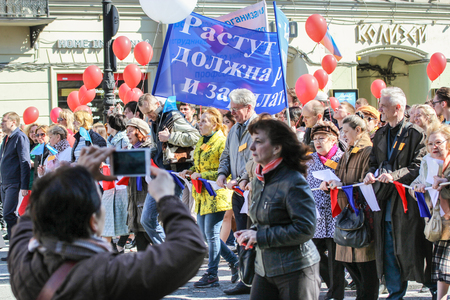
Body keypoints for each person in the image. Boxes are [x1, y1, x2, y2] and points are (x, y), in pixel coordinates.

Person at [7, 145, 207, 300]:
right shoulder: (109, 275)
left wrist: (76, 175)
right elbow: (191, 248)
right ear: (94, 223)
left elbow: (31, 214)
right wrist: (166, 197)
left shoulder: (23, 260)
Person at [235, 118, 320, 300]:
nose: (251, 148)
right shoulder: (259, 178)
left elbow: (305, 229)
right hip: (264, 269)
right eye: (252, 141)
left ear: (276, 148)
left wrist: (260, 237)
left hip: (296, 269)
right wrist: (250, 233)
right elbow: (264, 221)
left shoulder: (293, 181)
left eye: (258, 142)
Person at [363, 87, 430, 300]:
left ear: (398, 107)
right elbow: (373, 162)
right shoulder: (380, 133)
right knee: (388, 247)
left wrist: (394, 175)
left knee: (409, 247)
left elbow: (418, 165)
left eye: (383, 105)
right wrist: (369, 175)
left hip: (406, 200)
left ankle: (431, 286)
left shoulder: (416, 134)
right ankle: (395, 293)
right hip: (383, 198)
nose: (379, 109)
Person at [320, 114, 378, 300]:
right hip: (347, 215)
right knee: (349, 263)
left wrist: (341, 185)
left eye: (346, 131)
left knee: (365, 267)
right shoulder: (348, 151)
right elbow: (339, 176)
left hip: (361, 217)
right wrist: (330, 183)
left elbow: (364, 184)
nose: (343, 135)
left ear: (358, 130)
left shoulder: (367, 151)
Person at [179, 108, 239, 288]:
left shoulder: (221, 142)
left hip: (217, 193)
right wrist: (190, 171)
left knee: (212, 235)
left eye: (205, 121)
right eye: (200, 119)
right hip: (202, 193)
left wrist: (201, 173)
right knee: (207, 235)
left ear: (215, 124)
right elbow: (198, 165)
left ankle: (212, 273)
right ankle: (235, 261)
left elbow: (225, 172)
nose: (200, 123)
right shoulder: (201, 141)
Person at [138, 94, 200, 244]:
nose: (149, 116)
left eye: (150, 112)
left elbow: (196, 136)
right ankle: (170, 251)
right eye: (145, 113)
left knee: (172, 219)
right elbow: (157, 148)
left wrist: (171, 137)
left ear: (158, 104)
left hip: (174, 175)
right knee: (146, 219)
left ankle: (176, 253)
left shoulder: (173, 116)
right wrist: (141, 154)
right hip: (160, 175)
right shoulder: (154, 121)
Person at [216, 88, 258, 295]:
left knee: (253, 236)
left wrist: (243, 178)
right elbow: (226, 153)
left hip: (254, 192)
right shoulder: (234, 129)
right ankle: (245, 279)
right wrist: (222, 173)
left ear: (249, 107)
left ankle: (253, 280)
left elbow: (255, 158)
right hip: (238, 193)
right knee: (241, 236)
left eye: (235, 109)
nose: (231, 113)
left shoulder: (259, 128)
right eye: (231, 109)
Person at [306, 121, 346, 300]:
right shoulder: (310, 159)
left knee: (336, 258)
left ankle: (336, 293)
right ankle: (331, 284)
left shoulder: (342, 158)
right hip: (317, 215)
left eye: (322, 138)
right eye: (315, 139)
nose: (317, 142)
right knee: (314, 252)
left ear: (333, 140)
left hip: (336, 214)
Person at [410, 124, 450, 300]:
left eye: (438, 142)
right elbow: (415, 184)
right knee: (442, 265)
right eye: (430, 143)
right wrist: (418, 188)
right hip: (439, 221)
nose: (434, 147)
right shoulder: (427, 161)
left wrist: (445, 182)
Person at [125, 118, 161, 250]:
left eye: (130, 131)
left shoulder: (150, 149)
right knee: (140, 239)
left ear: (140, 132)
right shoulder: (131, 150)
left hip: (146, 195)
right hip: (134, 198)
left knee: (149, 232)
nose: (127, 134)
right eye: (126, 131)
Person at [0, 112, 30, 244]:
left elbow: (25, 162)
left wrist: (24, 185)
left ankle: (23, 240)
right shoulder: (6, 138)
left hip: (14, 182)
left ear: (13, 122)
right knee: (9, 215)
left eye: (4, 121)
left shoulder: (20, 137)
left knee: (9, 214)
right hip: (4, 182)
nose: (1, 123)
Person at [102, 114, 130, 252]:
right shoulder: (111, 140)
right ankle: (115, 247)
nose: (106, 126)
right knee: (109, 214)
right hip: (111, 181)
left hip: (122, 182)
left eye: (108, 123)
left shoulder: (124, 139)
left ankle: (120, 245)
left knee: (124, 213)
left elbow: (126, 160)